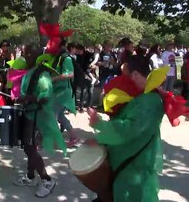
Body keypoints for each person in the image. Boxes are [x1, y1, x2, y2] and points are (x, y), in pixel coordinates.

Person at [87, 55, 172, 202]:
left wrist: (100, 126)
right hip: (129, 167)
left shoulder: (150, 102)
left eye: (126, 75)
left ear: (135, 74)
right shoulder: (144, 95)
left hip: (134, 169)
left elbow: (127, 129)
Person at [14, 43, 66, 198]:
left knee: (29, 147)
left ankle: (47, 180)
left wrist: (27, 98)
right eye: (23, 53)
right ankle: (30, 177)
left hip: (39, 116)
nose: (24, 56)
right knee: (30, 147)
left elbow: (46, 96)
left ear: (36, 56)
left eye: (27, 54)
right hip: (30, 114)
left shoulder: (42, 74)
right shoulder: (31, 72)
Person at [51, 39, 78, 147]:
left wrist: (54, 78)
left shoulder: (66, 59)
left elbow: (70, 74)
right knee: (60, 116)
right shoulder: (57, 58)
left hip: (63, 92)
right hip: (59, 91)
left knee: (52, 115)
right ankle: (74, 137)